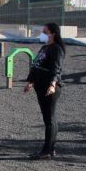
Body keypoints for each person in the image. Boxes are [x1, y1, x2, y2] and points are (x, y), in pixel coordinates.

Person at [23, 22, 65, 160]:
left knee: (50, 118)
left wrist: (52, 84)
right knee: (47, 118)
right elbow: (36, 65)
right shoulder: (44, 48)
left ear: (53, 33)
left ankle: (48, 149)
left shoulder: (57, 49)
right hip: (40, 85)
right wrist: (31, 82)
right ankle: (49, 148)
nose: (43, 34)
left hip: (49, 87)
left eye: (45, 32)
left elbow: (56, 68)